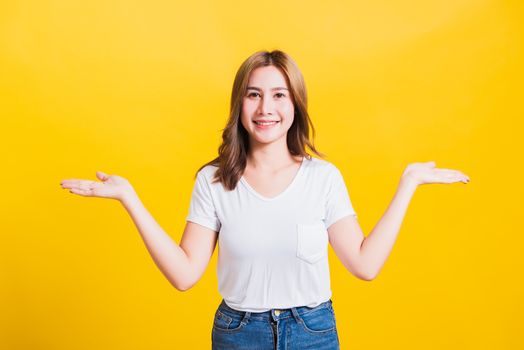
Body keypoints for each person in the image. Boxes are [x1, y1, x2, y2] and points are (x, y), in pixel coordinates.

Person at [60, 50, 470, 350]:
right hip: (239, 334)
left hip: (313, 332)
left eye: (279, 96)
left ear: (295, 105)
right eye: (253, 95)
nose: (265, 108)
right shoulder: (215, 181)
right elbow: (185, 275)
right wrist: (129, 198)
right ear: (239, 103)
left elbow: (364, 265)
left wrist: (409, 183)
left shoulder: (323, 179)